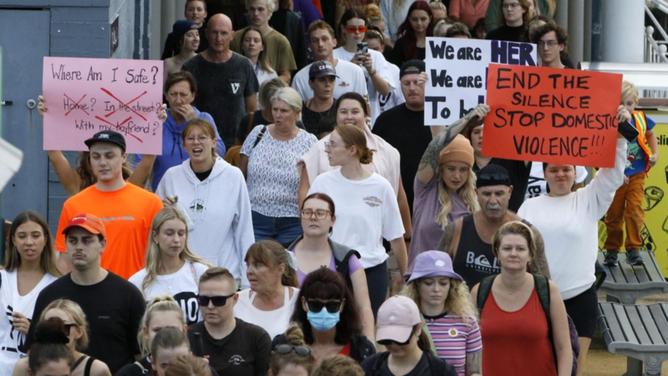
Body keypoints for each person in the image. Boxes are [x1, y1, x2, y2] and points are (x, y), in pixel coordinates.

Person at [518, 106, 629, 374]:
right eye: (554, 170)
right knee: (538, 366)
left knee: (572, 369)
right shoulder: (528, 207)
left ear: (575, 173)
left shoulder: (589, 199)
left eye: (566, 169)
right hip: (537, 298)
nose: (560, 174)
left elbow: (612, 175)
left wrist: (620, 137)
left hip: (579, 298)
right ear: (544, 174)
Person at [308, 124, 407, 314]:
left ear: (352, 149)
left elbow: (395, 237)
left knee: (367, 331)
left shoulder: (381, 186)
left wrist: (408, 279)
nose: (327, 149)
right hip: (332, 270)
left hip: (372, 270)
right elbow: (309, 228)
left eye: (333, 144)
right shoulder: (322, 182)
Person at [30, 213, 146, 373]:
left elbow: (142, 357)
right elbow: (33, 352)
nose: (78, 247)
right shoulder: (50, 295)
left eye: (87, 240)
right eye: (73, 241)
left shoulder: (128, 295)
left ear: (103, 244)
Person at [299, 92, 411, 251]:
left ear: (366, 114)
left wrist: (408, 238)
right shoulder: (318, 150)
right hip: (330, 242)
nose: (349, 117)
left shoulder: (387, 151)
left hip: (375, 243)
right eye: (343, 112)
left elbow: (398, 195)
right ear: (335, 115)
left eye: (355, 111)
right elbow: (304, 194)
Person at [156, 119, 254, 286]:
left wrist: (247, 282)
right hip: (182, 277)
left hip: (224, 274)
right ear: (184, 145)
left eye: (202, 137)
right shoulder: (171, 177)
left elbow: (244, 230)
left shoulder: (233, 176)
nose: (196, 142)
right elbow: (158, 228)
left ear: (214, 142)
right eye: (190, 138)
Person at [54, 130, 163, 279]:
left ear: (124, 157)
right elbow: (65, 262)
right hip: (89, 294)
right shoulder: (73, 205)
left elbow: (162, 255)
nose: (103, 162)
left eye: (109, 156)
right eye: (96, 156)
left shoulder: (151, 203)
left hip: (138, 293)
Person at [471, 221, 572, 375]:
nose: (513, 253)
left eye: (520, 248)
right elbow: (469, 346)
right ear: (497, 252)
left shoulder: (547, 290)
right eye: (507, 248)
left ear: (530, 254)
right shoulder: (479, 292)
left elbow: (564, 347)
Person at [439, 164, 550, 287]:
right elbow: (435, 274)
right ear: (476, 193)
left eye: (499, 194)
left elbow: (544, 287)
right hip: (464, 305)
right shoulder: (456, 229)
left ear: (510, 192)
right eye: (486, 194)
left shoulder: (530, 234)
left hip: (511, 305)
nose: (493, 201)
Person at [408, 107, 488, 268]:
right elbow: (435, 146)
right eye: (451, 168)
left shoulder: (474, 200)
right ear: (441, 168)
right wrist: (467, 119)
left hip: (456, 283)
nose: (457, 176)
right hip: (420, 278)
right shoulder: (426, 188)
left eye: (463, 169)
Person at [287, 193, 374, 340]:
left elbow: (363, 307)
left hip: (339, 338)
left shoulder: (348, 259)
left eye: (320, 213)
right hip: (294, 339)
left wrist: (369, 344)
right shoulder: (284, 258)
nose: (313, 217)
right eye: (307, 212)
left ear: (333, 220)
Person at [240, 88, 317, 245]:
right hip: (255, 217)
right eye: (275, 109)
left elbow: (311, 184)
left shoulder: (310, 141)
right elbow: (240, 174)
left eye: (284, 111)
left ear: (297, 113)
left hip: (292, 221)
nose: (278, 115)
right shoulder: (258, 133)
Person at [183, 13, 259, 148]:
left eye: (224, 33)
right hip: (200, 143)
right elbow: (184, 106)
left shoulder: (243, 65)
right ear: (206, 33)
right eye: (214, 33)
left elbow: (251, 110)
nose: (218, 38)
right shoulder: (191, 67)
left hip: (235, 144)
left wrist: (246, 142)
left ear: (232, 35)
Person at [604, 81, 659, 266]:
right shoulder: (609, 122)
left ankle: (634, 249)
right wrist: (613, 172)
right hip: (616, 176)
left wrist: (655, 153)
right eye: (621, 103)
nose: (625, 108)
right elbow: (601, 148)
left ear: (635, 102)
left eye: (629, 103)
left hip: (636, 174)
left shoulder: (641, 119)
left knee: (634, 210)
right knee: (613, 214)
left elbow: (650, 134)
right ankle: (612, 250)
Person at [402, 251, 481, 376]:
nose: (436, 289)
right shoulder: (404, 321)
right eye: (428, 283)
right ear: (417, 285)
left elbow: (475, 371)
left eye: (443, 283)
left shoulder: (467, 322)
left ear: (451, 285)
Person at [129, 207, 212, 324]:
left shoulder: (200, 272)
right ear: (155, 236)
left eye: (181, 233)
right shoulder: (138, 281)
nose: (176, 239)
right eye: (169, 233)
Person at [275, 268, 376, 364]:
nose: (324, 311)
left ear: (342, 305)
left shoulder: (362, 349)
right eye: (315, 305)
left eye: (332, 306)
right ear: (304, 303)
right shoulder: (283, 346)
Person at [0, 212, 59, 374]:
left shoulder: (56, 284)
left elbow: (64, 337)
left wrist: (33, 330)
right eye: (21, 236)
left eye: (35, 235)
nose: (29, 242)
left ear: (45, 239)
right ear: (13, 240)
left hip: (34, 367)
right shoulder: (2, 278)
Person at [147, 71, 226, 191]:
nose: (178, 100)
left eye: (183, 95)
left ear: (192, 96)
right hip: (165, 193)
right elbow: (141, 162)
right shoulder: (158, 121)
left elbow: (219, 152)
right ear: (166, 96)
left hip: (199, 190)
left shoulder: (204, 118)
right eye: (173, 94)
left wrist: (194, 123)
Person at [189, 267, 271, 375]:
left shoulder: (257, 338)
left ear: (235, 299)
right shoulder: (187, 337)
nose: (210, 306)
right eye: (203, 300)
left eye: (219, 300)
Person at [372, 60, 431, 211]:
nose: (412, 88)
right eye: (406, 83)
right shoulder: (385, 121)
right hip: (395, 198)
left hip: (432, 197)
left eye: (417, 82)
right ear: (400, 85)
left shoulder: (441, 120)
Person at [361, 295, 457, 376]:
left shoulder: (441, 371)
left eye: (401, 339)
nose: (394, 345)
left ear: (418, 329)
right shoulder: (370, 367)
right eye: (387, 339)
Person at [13, 299, 111, 376]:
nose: (55, 331)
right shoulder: (24, 366)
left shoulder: (96, 370)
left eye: (64, 327)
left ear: (79, 332)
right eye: (49, 325)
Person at [334, 9, 393, 121]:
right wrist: (350, 67)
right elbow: (333, 89)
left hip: (372, 118)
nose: (357, 33)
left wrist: (371, 71)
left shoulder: (376, 56)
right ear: (343, 29)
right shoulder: (334, 55)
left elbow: (385, 91)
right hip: (344, 117)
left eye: (361, 29)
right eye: (352, 29)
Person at [234, 241, 300, 339]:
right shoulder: (236, 300)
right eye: (248, 265)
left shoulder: (299, 300)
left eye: (258, 265)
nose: (249, 271)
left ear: (281, 268)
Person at [463, 117, 532, 212]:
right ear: (469, 137)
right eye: (476, 132)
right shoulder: (462, 164)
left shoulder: (515, 160)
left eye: (487, 131)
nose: (481, 135)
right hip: (470, 224)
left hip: (509, 225)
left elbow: (530, 131)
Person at [292, 21, 367, 102]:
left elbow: (365, 108)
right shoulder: (300, 78)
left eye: (324, 39)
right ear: (309, 46)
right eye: (315, 40)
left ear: (334, 42)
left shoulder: (355, 71)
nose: (320, 44)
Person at [115, 296, 188, 376]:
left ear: (184, 331)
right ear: (146, 332)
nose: (164, 335)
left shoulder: (197, 370)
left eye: (171, 329)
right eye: (157, 330)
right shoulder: (129, 374)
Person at [231, 0, 297, 83]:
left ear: (269, 11)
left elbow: (286, 76)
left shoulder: (281, 41)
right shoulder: (236, 37)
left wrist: (265, 84)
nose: (255, 13)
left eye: (260, 9)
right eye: (252, 9)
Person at [387, 1, 434, 65]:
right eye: (414, 19)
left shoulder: (438, 42)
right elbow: (393, 69)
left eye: (423, 19)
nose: (419, 23)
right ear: (409, 19)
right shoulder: (401, 44)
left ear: (430, 19)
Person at [301, 61, 337, 138]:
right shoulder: (300, 110)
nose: (327, 84)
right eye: (322, 79)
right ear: (311, 83)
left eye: (331, 79)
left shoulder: (341, 108)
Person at [485, 0, 555, 32]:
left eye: (513, 5)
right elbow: (491, 24)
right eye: (505, 6)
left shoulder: (543, 3)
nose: (509, 9)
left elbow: (548, 27)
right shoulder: (497, 2)